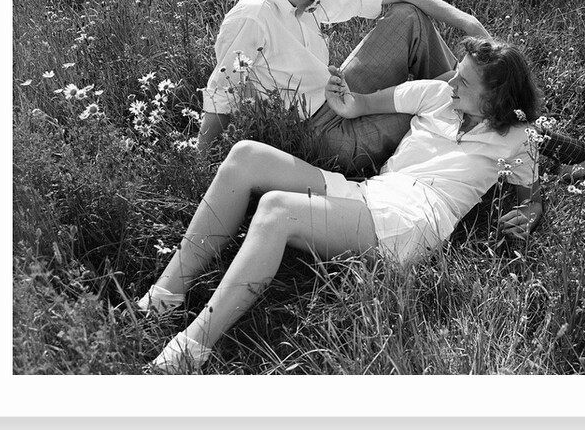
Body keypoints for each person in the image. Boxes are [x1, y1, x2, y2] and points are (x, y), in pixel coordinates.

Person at [194, 0, 585, 230]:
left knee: (408, 17)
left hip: (338, 94)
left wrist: (465, 21)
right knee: (450, 106)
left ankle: (492, 110)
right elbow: (220, 98)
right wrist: (199, 169)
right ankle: (563, 148)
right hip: (325, 135)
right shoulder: (252, 18)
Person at [141, 37, 546, 373]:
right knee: (246, 155)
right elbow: (360, 105)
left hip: (415, 220)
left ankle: (193, 347)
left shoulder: (518, 139)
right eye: (456, 70)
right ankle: (165, 296)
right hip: (372, 191)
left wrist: (528, 214)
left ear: (495, 98)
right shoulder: (437, 94)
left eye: (465, 81)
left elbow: (530, 199)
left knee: (277, 210)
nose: (451, 80)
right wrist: (341, 96)